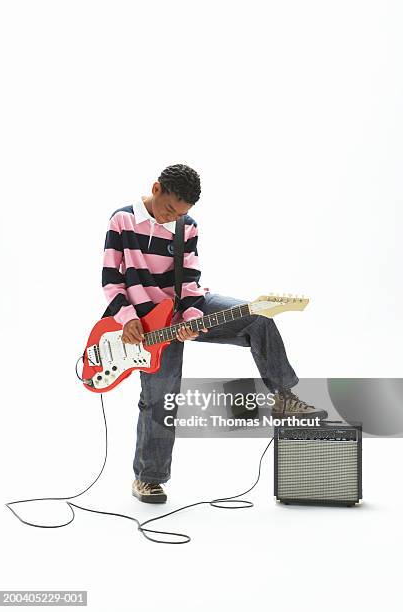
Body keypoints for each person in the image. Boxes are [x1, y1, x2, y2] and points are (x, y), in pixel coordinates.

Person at [102, 163, 327, 504]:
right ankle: (148, 478)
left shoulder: (186, 227)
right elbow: (110, 279)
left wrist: (192, 315)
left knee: (257, 317)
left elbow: (189, 280)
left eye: (179, 213)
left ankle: (284, 396)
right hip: (147, 325)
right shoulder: (121, 220)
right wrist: (127, 317)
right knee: (160, 399)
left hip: (183, 306)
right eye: (167, 209)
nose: (170, 218)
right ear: (156, 187)